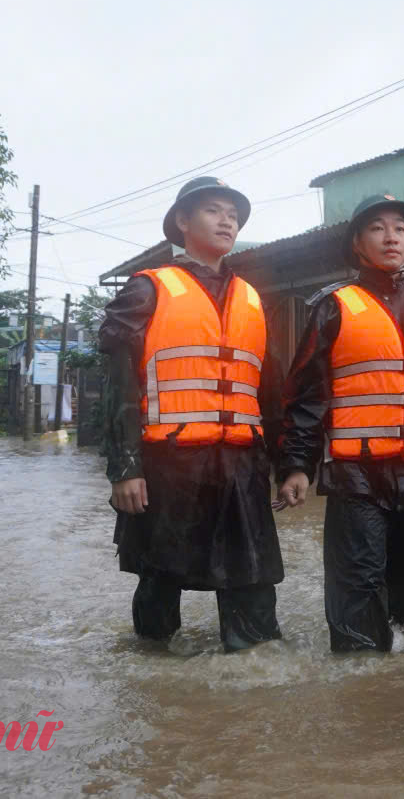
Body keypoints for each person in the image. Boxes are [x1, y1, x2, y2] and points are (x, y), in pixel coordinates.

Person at [99, 176, 285, 652]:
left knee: (252, 579)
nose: (228, 221)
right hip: (170, 464)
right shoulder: (147, 290)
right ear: (182, 222)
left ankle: (254, 675)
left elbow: (271, 389)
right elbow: (119, 385)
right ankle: (151, 676)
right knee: (161, 579)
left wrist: (291, 466)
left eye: (234, 215)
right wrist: (125, 468)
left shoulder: (251, 297)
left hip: (242, 465)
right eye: (214, 211)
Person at [277, 194, 404, 653]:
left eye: (400, 228)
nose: (390, 236)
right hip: (357, 474)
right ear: (357, 243)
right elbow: (305, 395)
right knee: (360, 581)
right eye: (377, 227)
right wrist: (297, 466)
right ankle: (360, 674)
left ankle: (399, 680)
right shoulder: (333, 306)